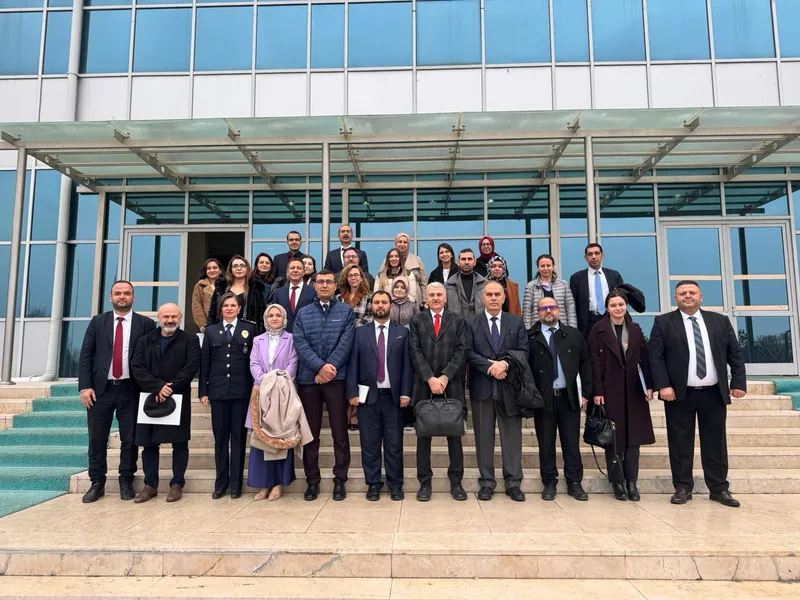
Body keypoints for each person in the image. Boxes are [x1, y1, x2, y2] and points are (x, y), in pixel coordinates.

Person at [649, 280, 747, 508]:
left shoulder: (719, 321)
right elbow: (656, 357)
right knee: (680, 442)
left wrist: (738, 382)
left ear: (700, 296)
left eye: (692, 292)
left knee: (715, 442)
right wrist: (663, 385)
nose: (687, 296)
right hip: (679, 394)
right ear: (675, 298)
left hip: (713, 393)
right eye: (682, 293)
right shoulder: (663, 322)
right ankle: (683, 487)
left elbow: (734, 353)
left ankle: (719, 488)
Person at [78, 281, 156, 503]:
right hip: (100, 390)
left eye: (127, 293)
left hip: (130, 390)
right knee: (97, 437)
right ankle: (97, 482)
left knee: (129, 439)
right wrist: (85, 386)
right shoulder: (98, 322)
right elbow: (86, 355)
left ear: (133, 297)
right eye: (118, 293)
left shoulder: (145, 324)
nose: (123, 297)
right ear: (110, 297)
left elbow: (151, 358)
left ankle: (126, 480)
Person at [293, 269, 355, 501]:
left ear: (335, 286)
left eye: (329, 282)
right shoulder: (303, 313)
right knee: (311, 434)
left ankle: (340, 479)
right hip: (309, 381)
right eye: (321, 282)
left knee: (340, 432)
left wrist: (328, 370)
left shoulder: (346, 311)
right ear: (314, 285)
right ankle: (312, 481)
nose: (325, 285)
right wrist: (319, 367)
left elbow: (346, 343)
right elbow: (300, 343)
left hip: (336, 380)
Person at [587, 286, 654, 502]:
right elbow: (593, 362)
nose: (617, 308)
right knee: (614, 437)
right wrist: (597, 390)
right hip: (610, 389)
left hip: (634, 390)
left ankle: (632, 481)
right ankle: (617, 481)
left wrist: (649, 385)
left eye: (621, 305)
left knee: (634, 438)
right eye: (613, 305)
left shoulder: (635, 329)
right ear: (607, 308)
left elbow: (645, 359)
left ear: (626, 307)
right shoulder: (598, 329)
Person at [130, 303, 201, 504]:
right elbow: (137, 367)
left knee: (180, 443)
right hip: (151, 397)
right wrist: (158, 387)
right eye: (166, 317)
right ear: (159, 318)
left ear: (180, 318)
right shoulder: (144, 340)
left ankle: (177, 484)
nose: (170, 320)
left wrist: (170, 387)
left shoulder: (190, 340)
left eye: (174, 317)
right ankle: (150, 485)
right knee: (149, 444)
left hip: (177, 396)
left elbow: (191, 366)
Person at [346, 291, 412, 501]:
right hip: (367, 398)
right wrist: (352, 392)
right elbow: (352, 364)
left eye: (384, 302)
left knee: (394, 445)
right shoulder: (359, 333)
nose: (380, 305)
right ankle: (373, 484)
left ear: (390, 306)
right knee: (369, 444)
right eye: (376, 302)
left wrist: (406, 393)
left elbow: (407, 366)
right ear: (371, 306)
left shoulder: (402, 332)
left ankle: (395, 484)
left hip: (394, 398)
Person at [466, 282, 529, 502]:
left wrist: (505, 364)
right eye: (489, 294)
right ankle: (486, 482)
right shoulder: (471, 323)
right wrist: (490, 367)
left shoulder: (516, 322)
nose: (493, 298)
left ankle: (513, 483)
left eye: (497, 294)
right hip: (482, 387)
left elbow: (523, 351)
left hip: (509, 387)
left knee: (511, 436)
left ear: (503, 298)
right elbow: (468, 352)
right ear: (482, 298)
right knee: (483, 438)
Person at [528, 297, 592, 502]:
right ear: (538, 313)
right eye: (543, 308)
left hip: (568, 397)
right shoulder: (530, 337)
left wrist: (586, 393)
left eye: (552, 307)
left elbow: (585, 364)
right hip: (543, 399)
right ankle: (549, 482)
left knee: (571, 442)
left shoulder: (573, 335)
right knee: (546, 443)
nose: (548, 311)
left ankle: (574, 482)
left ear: (559, 310)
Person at [409, 283, 468, 502]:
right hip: (424, 385)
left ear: (445, 297)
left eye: (439, 295)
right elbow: (414, 350)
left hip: (450, 385)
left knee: (455, 436)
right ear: (426, 298)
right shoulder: (417, 320)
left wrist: (444, 376)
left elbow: (462, 350)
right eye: (431, 295)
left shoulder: (457, 320)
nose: (435, 298)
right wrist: (430, 378)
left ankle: (456, 483)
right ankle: (425, 483)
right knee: (423, 437)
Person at [199, 293, 257, 500]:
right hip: (218, 392)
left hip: (241, 392)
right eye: (226, 305)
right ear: (221, 309)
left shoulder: (250, 329)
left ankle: (235, 485)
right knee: (221, 439)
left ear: (239, 309)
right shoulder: (211, 330)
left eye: (233, 305)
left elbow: (253, 361)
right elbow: (205, 362)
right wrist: (203, 391)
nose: (230, 308)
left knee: (239, 439)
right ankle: (220, 484)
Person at [248, 304, 300, 501]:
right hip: (261, 392)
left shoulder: (291, 339)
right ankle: (263, 484)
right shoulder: (258, 340)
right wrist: (266, 382)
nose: (275, 318)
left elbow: (293, 363)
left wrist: (278, 383)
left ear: (284, 319)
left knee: (281, 437)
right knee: (261, 439)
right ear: (265, 319)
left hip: (284, 393)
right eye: (271, 315)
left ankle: (278, 483)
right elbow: (254, 363)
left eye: (278, 315)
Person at [336, 263, 373, 431]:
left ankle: (356, 415)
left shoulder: (368, 297)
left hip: (361, 340)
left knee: (359, 376)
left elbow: (370, 318)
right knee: (346, 378)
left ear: (361, 277)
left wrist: (351, 328)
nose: (353, 278)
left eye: (356, 275)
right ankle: (345, 413)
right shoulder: (339, 298)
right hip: (342, 342)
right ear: (346, 278)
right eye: (350, 275)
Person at [569, 243, 623, 338]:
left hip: (611, 318)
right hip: (589, 321)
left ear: (602, 255)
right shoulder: (577, 278)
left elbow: (621, 298)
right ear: (585, 258)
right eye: (590, 254)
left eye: (597, 253)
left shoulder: (614, 275)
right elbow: (573, 304)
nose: (593, 257)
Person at [207, 255, 265, 328]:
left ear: (247, 269)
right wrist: (210, 329)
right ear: (231, 269)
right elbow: (212, 312)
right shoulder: (221, 288)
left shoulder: (256, 289)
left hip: (248, 330)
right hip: (223, 330)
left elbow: (261, 315)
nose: (239, 268)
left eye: (242, 266)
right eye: (235, 266)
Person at [524, 254, 577, 330]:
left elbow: (570, 308)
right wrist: (528, 331)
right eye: (542, 266)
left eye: (548, 265)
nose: (545, 268)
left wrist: (572, 329)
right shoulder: (530, 287)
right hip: (538, 329)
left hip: (562, 328)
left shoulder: (563, 285)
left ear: (553, 267)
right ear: (538, 268)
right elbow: (527, 312)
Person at [379, 232, 427, 302]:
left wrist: (425, 300)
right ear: (396, 243)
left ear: (409, 244)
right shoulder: (387, 261)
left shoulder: (417, 260)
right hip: (391, 300)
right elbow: (381, 281)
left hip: (414, 299)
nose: (402, 244)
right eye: (400, 242)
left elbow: (423, 283)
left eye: (405, 242)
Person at [273, 258, 316, 333]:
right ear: (287, 272)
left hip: (306, 335)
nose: (295, 270)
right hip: (283, 335)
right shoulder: (278, 293)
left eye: (299, 268)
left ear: (304, 272)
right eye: (292, 268)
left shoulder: (312, 292)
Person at [445, 248, 487, 319]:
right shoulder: (448, 285)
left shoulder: (485, 284)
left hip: (479, 323)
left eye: (469, 259)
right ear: (458, 262)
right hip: (457, 324)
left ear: (474, 262)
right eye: (463, 259)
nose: (466, 262)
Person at [191, 258, 222, 334]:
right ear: (205, 271)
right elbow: (197, 307)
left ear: (220, 270)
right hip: (206, 326)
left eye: (215, 268)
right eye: (209, 268)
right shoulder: (199, 286)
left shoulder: (226, 285)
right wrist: (204, 326)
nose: (212, 270)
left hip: (223, 325)